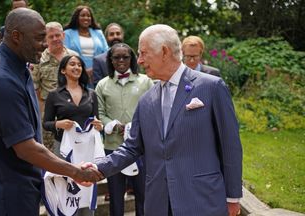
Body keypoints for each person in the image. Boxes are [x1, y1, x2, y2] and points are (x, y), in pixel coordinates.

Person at [92, 24, 243, 216]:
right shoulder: (146, 99)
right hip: (158, 203)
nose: (139, 60)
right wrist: (98, 167)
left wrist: (232, 197)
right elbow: (132, 147)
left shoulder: (211, 87)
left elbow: (230, 145)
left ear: (164, 51)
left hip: (202, 201)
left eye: (143, 53)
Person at [0, 8, 102, 216]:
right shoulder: (1, 80)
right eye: (40, 38)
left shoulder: (18, 68)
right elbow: (26, 148)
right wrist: (75, 171)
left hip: (20, 190)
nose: (46, 44)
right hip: (6, 197)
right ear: (16, 36)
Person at [95, 43, 153, 216]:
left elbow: (153, 109)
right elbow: (100, 112)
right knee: (115, 194)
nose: (121, 60)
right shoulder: (102, 85)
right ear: (110, 60)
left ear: (132, 59)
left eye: (125, 57)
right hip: (113, 146)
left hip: (141, 146)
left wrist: (134, 127)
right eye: (116, 57)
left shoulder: (145, 82)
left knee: (142, 193)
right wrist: (111, 124)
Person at [43, 54, 104, 216]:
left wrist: (99, 125)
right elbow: (46, 123)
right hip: (63, 149)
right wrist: (58, 124)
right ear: (63, 70)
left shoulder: (91, 94)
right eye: (72, 64)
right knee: (66, 189)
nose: (76, 67)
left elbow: (97, 120)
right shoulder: (54, 95)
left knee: (87, 187)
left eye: (79, 65)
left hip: (86, 150)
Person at [31, 22, 78, 150]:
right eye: (51, 36)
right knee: (48, 150)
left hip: (71, 110)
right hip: (48, 113)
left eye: (58, 35)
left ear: (63, 35)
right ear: (46, 38)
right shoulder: (38, 59)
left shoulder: (74, 57)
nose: (55, 39)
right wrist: (40, 115)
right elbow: (35, 89)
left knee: (73, 148)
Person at [63, 5, 108, 86]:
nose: (86, 18)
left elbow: (106, 52)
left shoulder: (98, 33)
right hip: (76, 73)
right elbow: (65, 54)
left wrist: (93, 69)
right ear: (77, 18)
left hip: (98, 73)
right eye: (82, 15)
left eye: (88, 16)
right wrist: (83, 70)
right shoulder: (67, 33)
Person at [92, 23, 124, 87]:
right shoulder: (98, 61)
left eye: (118, 34)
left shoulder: (132, 57)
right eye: (111, 34)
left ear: (122, 36)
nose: (115, 36)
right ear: (106, 38)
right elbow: (97, 87)